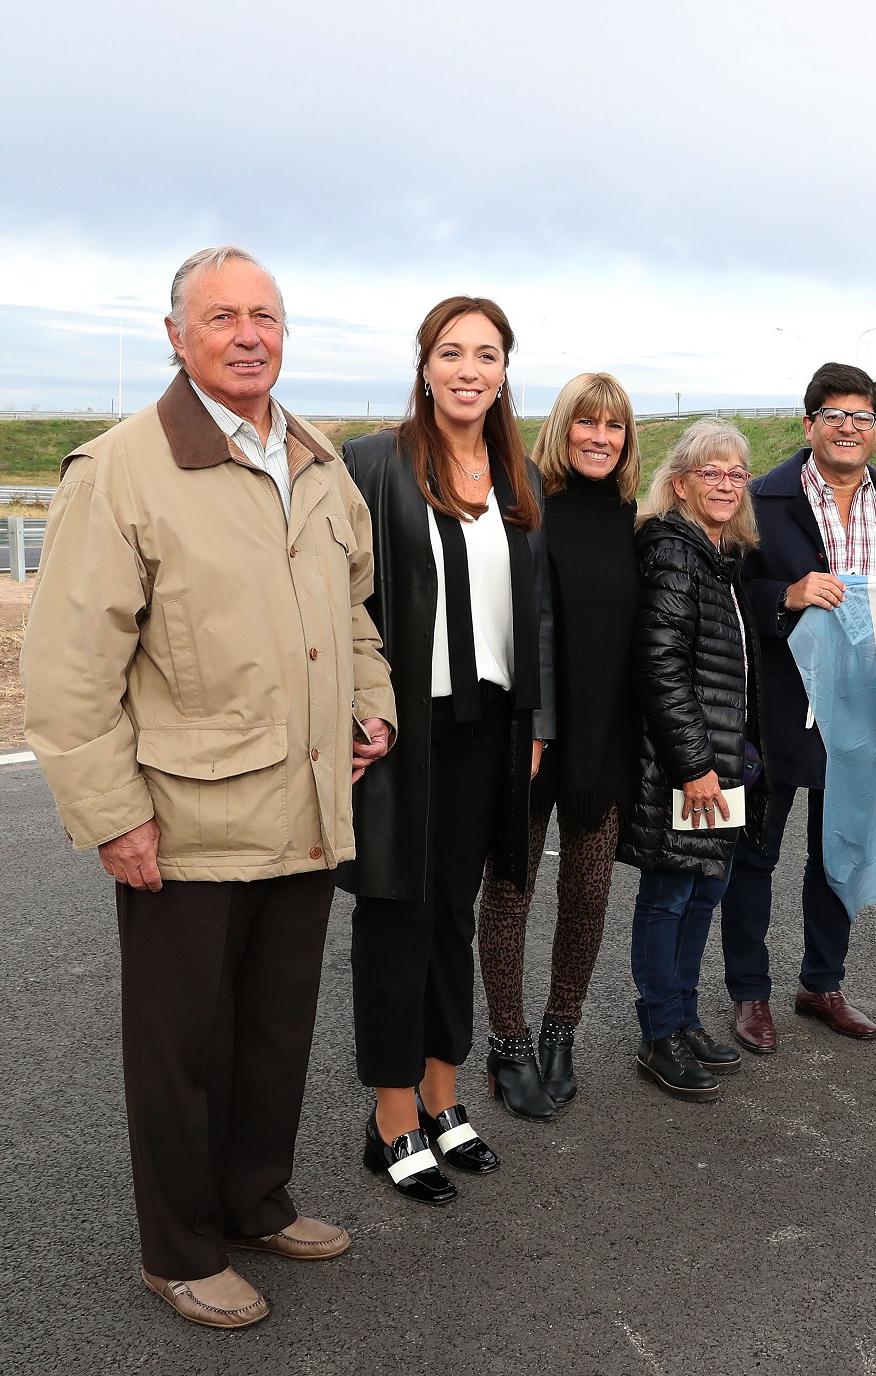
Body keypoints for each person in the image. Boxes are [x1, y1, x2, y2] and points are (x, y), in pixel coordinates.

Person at [20, 246, 395, 1328]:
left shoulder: (315, 461)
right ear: (176, 335)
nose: (248, 334)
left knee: (275, 1029)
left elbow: (355, 612)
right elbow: (69, 668)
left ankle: (253, 1199)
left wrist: (374, 706)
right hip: (183, 819)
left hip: (307, 804)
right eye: (222, 316)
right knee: (180, 1049)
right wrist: (113, 813)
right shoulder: (124, 468)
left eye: (266, 315)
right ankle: (177, 1246)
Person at [339, 297, 553, 1203]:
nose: (471, 369)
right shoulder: (373, 464)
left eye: (489, 354)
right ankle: (390, 1118)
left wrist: (537, 723)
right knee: (396, 915)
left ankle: (441, 1095)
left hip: (491, 728)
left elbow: (533, 612)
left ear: (507, 370)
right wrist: (355, 707)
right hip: (403, 732)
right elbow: (339, 600)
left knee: (456, 916)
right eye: (453, 352)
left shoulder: (517, 473)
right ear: (424, 363)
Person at [720, 362, 876, 1052]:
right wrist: (786, 596)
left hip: (861, 708)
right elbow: (723, 595)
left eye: (861, 417)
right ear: (809, 426)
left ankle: (822, 982)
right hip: (775, 707)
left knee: (839, 854)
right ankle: (749, 993)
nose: (847, 428)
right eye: (834, 415)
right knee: (755, 855)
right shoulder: (761, 497)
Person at [474, 373, 641, 1116]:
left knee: (588, 894)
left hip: (603, 738)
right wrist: (530, 726)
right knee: (510, 890)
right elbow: (517, 622)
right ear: (562, 429)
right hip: (531, 733)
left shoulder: (637, 518)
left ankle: (561, 1030)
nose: (599, 437)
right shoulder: (527, 510)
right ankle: (506, 1044)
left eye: (613, 426)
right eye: (586, 423)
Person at [618, 419, 766, 1102]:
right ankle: (659, 1034)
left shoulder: (717, 554)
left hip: (719, 762)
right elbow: (660, 668)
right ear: (679, 483)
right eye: (712, 472)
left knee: (704, 887)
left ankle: (682, 1019)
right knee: (670, 893)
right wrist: (695, 765)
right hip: (684, 765)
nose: (727, 484)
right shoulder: (673, 551)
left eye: (737, 473)